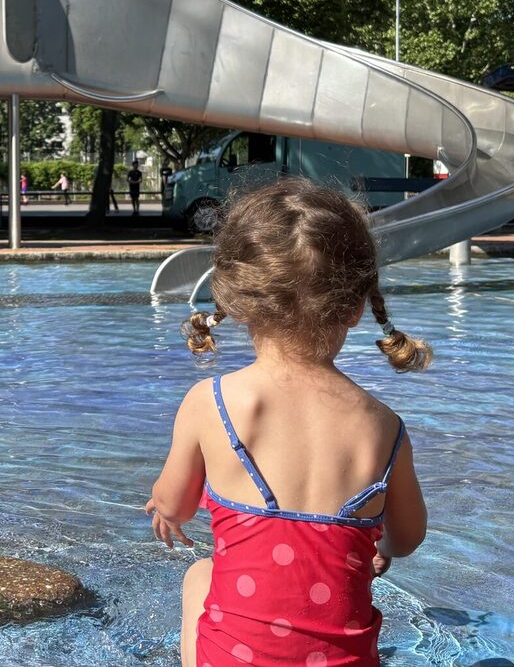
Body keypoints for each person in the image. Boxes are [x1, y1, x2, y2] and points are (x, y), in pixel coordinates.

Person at [145, 178, 431, 667]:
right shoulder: (383, 427)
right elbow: (407, 537)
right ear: (358, 306)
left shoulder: (211, 402)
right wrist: (377, 548)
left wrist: (164, 507)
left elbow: (175, 503)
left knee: (200, 575)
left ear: (235, 301)